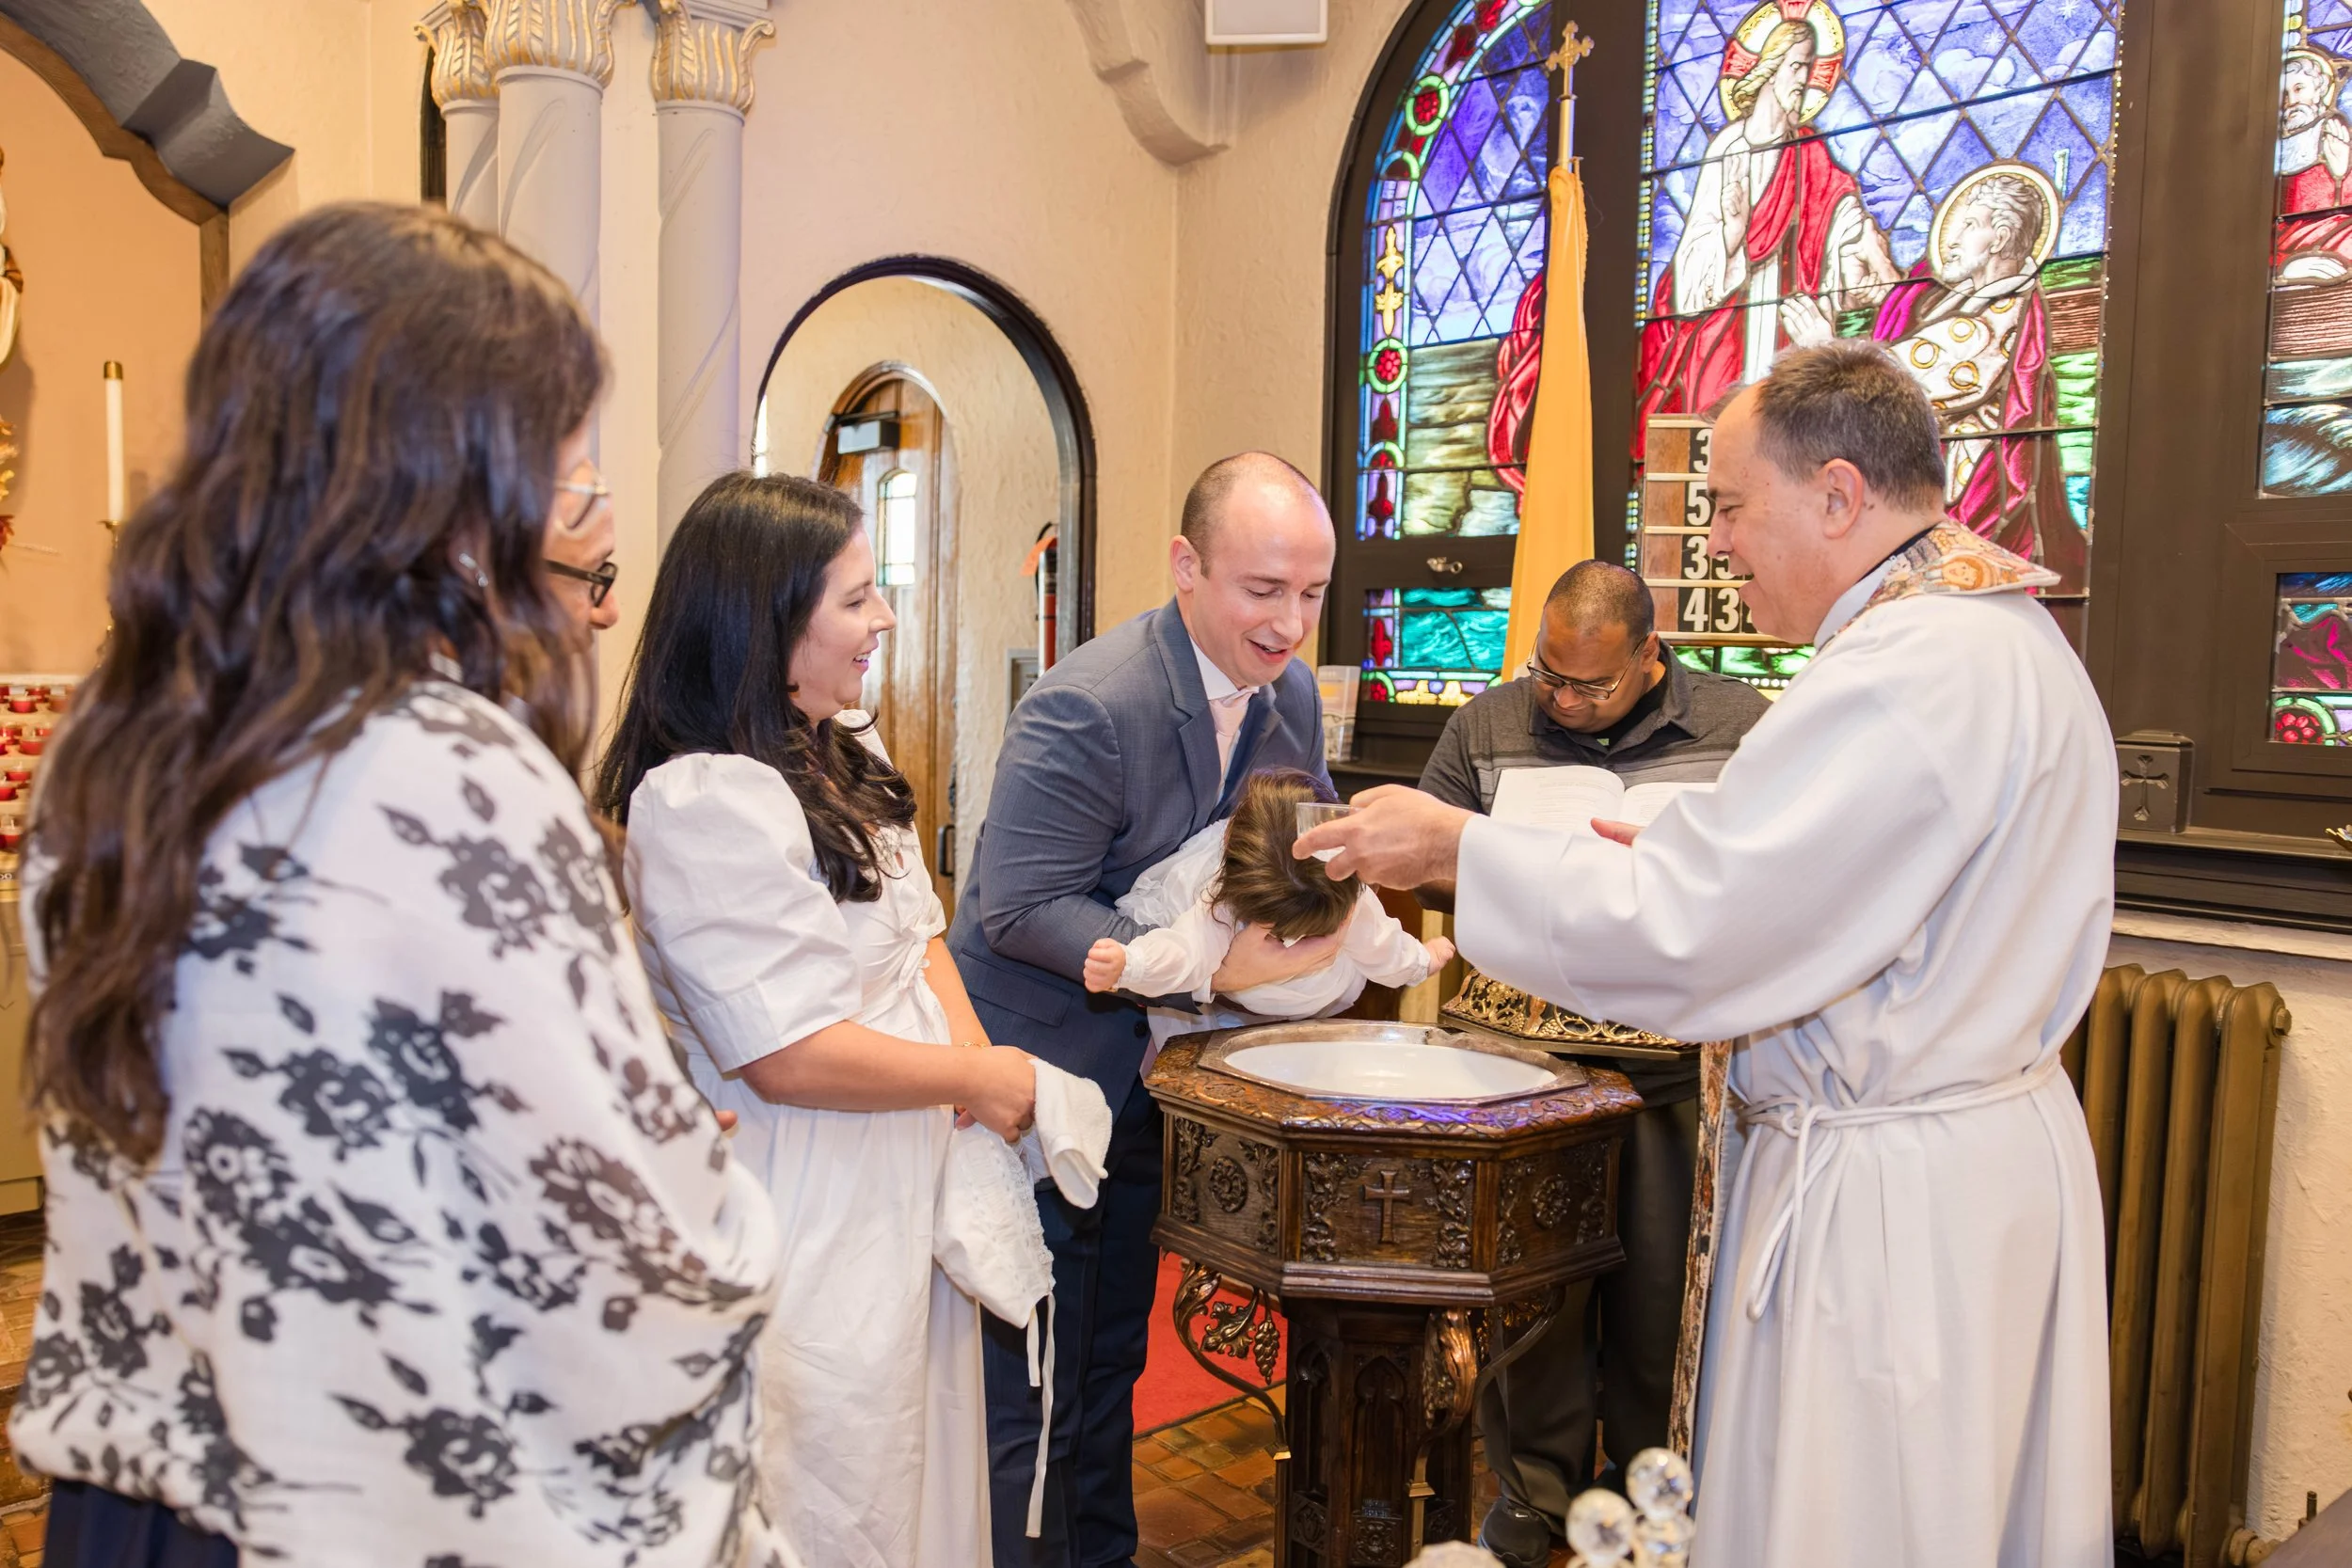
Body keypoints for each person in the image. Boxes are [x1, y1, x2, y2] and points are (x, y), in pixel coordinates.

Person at [13, 203, 790, 1567]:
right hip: (374, 1498)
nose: (572, 506)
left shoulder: (108, 741)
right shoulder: (449, 769)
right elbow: (626, 1257)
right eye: (559, 461)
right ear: (451, 477)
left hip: (142, 1498)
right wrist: (722, 1192)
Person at [1298, 341, 2114, 1568]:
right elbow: (1805, 883)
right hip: (1960, 1159)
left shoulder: (1908, 672)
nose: (1717, 542)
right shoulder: (1996, 632)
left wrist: (1461, 849)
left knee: (1866, 1513)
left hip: (1890, 1209)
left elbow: (1703, 930)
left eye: (1732, 505)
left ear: (1838, 494)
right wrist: (1690, 847)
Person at [596, 471, 1039, 1568]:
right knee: (832, 1472)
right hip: (807, 1188)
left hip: (899, 1161)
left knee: (918, 1455)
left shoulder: (848, 749)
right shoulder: (702, 799)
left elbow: (922, 937)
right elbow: (786, 1053)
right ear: (766, 624)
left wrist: (976, 1072)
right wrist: (970, 1083)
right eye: (855, 598)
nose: (884, 618)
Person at [947, 451, 1340, 1566]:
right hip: (1044, 1067)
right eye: (1264, 590)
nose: (1291, 624)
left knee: (1114, 1344)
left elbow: (1274, 859)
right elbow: (1016, 905)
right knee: (1039, 1361)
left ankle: (1100, 1552)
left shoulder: (1290, 697)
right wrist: (1190, 968)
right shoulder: (1092, 701)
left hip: (1157, 1080)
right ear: (1186, 564)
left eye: (1311, 593)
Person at [1416, 561, 1765, 1568]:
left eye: (1591, 685)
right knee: (1538, 1298)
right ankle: (1535, 1500)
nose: (1562, 702)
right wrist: (1495, 859)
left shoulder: (1742, 726)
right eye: (1548, 679)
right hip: (1526, 1055)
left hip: (1670, 1056)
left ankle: (1650, 1499)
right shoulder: (1486, 726)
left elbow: (1764, 878)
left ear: (1651, 656)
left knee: (1662, 1293)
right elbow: (1432, 862)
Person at [1781, 165, 2085, 597]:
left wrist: (1823, 346)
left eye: (1966, 226)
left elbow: (1907, 383)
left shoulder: (2003, 316)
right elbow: (1920, 334)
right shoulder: (1963, 298)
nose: (1952, 240)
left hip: (1965, 501)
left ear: (1999, 237)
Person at [1631, 17, 1899, 447]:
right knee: (1721, 426)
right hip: (1727, 321)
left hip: (1786, 317)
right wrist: (1732, 237)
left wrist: (1870, 257)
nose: (1804, 79)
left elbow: (1841, 214)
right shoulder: (1730, 147)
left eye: (1810, 68)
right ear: (1770, 67)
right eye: (1797, 66)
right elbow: (1693, 263)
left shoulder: (1809, 148)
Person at [1082, 766, 1454, 1044]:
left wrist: (1420, 960)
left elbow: (1384, 945)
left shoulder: (1345, 887)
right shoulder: (1220, 894)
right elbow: (1186, 952)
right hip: (1256, 1000)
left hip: (1308, 1005)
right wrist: (1132, 964)